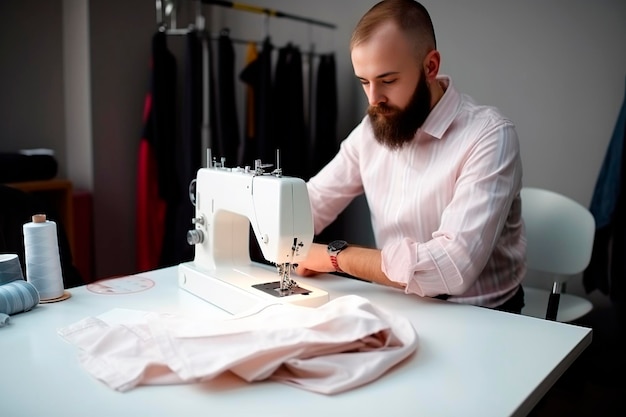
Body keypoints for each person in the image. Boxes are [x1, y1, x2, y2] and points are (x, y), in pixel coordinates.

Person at [295, 0, 526, 313]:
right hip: (398, 303)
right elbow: (311, 202)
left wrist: (335, 257)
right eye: (364, 82)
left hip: (483, 313)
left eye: (388, 80)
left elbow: (450, 268)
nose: (373, 99)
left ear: (430, 66)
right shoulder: (371, 129)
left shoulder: (490, 135)